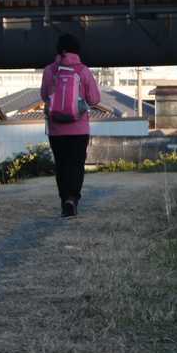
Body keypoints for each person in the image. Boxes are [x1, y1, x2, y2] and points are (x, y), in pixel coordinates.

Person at [40, 33, 101, 217]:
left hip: (56, 129)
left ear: (59, 49)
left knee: (62, 165)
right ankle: (72, 199)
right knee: (76, 164)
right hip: (79, 129)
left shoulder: (49, 71)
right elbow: (94, 99)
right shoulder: (83, 70)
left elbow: (44, 96)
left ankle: (64, 199)